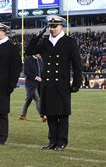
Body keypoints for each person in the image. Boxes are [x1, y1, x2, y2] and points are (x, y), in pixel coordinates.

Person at [26, 15, 82, 151]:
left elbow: (76, 64)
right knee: (50, 113)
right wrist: (38, 36)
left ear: (61, 26)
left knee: (62, 114)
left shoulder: (69, 42)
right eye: (50, 26)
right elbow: (29, 51)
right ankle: (52, 141)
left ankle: (61, 141)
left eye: (55, 26)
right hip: (48, 83)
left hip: (62, 83)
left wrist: (76, 83)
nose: (52, 29)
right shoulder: (45, 41)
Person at [19, 53, 46, 122]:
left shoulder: (40, 60)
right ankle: (43, 116)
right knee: (37, 98)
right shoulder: (28, 60)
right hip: (31, 84)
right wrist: (35, 77)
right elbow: (26, 72)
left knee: (29, 99)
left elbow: (42, 71)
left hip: (39, 84)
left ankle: (22, 115)